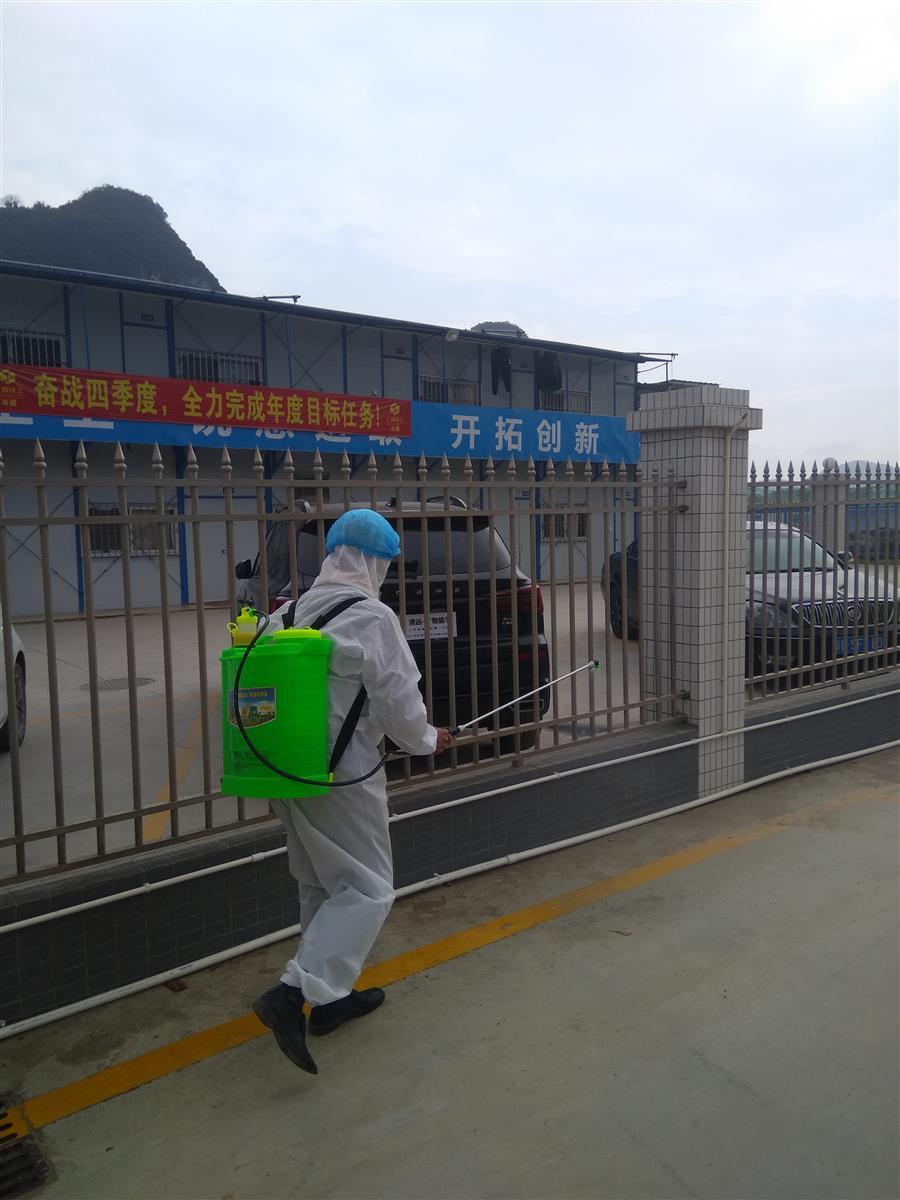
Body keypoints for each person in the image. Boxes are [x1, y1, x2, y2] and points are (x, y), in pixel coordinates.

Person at [252, 508, 453, 1073]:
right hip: (342, 778)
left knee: (321, 883)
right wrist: (428, 739)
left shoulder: (286, 612)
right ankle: (293, 993)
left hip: (284, 772)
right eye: (384, 563)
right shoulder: (371, 617)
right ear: (372, 562)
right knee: (368, 890)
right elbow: (400, 705)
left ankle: (330, 1001)